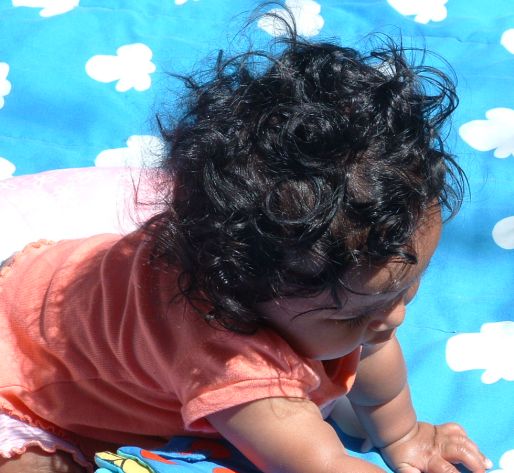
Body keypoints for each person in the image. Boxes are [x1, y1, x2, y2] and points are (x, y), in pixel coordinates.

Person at [0, 14, 492, 473]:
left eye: (405, 290)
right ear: (241, 291)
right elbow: (321, 465)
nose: (395, 317)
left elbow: (374, 356)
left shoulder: (327, 284)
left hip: (51, 288)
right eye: (351, 316)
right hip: (24, 383)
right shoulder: (235, 367)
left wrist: (407, 436)